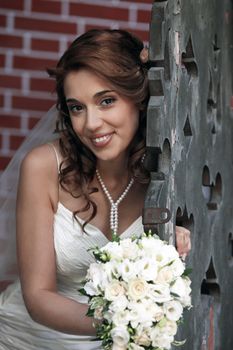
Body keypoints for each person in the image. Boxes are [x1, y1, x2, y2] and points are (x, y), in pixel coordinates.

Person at [0, 29, 191, 350]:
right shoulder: (43, 166)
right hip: (27, 340)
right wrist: (128, 321)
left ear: (140, 99)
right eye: (77, 107)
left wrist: (178, 253)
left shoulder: (171, 177)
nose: (91, 124)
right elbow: (38, 296)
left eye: (106, 101)